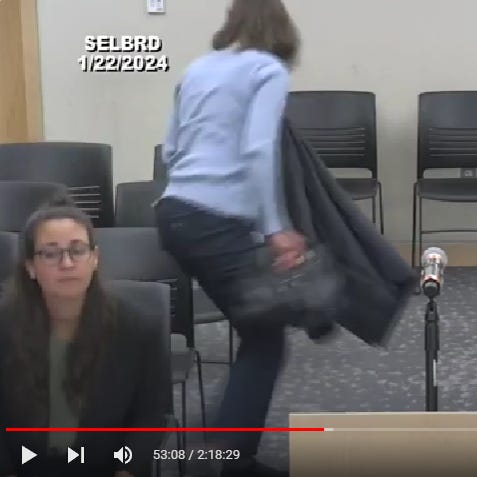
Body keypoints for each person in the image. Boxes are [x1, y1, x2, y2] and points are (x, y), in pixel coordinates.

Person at [155, 1, 305, 475]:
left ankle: (224, 444)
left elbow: (171, 149)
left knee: (256, 328)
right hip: (214, 222)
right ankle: (231, 460)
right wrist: (275, 227)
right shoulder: (267, 70)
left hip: (174, 214)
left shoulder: (198, 67)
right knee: (265, 338)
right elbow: (259, 149)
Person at [0, 196, 165, 477]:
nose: (67, 263)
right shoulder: (4, 327)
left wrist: (126, 471)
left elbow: (149, 418)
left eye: (77, 250)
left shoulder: (138, 328)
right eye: (50, 253)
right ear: (30, 267)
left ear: (94, 258)